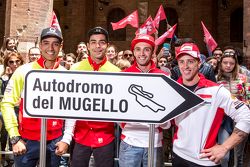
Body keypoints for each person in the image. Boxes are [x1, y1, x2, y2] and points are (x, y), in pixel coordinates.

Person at [171, 42, 250, 167]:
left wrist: (225, 147)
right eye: (182, 61)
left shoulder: (216, 90)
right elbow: (165, 124)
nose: (185, 66)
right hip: (178, 156)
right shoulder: (173, 90)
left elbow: (246, 116)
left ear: (199, 63)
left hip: (205, 160)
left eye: (190, 61)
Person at [0, 27, 67, 167]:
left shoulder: (65, 73)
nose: (51, 47)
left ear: (61, 46)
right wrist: (14, 137)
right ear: (40, 45)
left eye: (55, 43)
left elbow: (71, 108)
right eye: (46, 43)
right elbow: (6, 103)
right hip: (27, 141)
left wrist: (65, 139)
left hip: (55, 141)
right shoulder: (23, 71)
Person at [64, 26, 120, 167]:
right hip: (80, 136)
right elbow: (70, 103)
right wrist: (67, 136)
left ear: (107, 45)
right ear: (88, 46)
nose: (97, 46)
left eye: (101, 42)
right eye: (93, 42)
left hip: (105, 136)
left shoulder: (116, 72)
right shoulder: (75, 68)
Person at [119, 34, 170, 167]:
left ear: (152, 52)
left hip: (155, 143)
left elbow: (168, 113)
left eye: (146, 49)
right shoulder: (124, 76)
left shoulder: (163, 76)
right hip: (129, 142)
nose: (142, 53)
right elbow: (118, 110)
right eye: (138, 49)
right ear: (134, 52)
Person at [0, 52, 25, 166]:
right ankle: (5, 156)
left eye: (17, 61)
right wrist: (6, 78)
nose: (14, 64)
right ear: (7, 64)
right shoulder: (3, 78)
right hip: (7, 109)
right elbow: (4, 95)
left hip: (22, 110)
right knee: (5, 132)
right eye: (11, 62)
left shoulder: (26, 74)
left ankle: (15, 157)